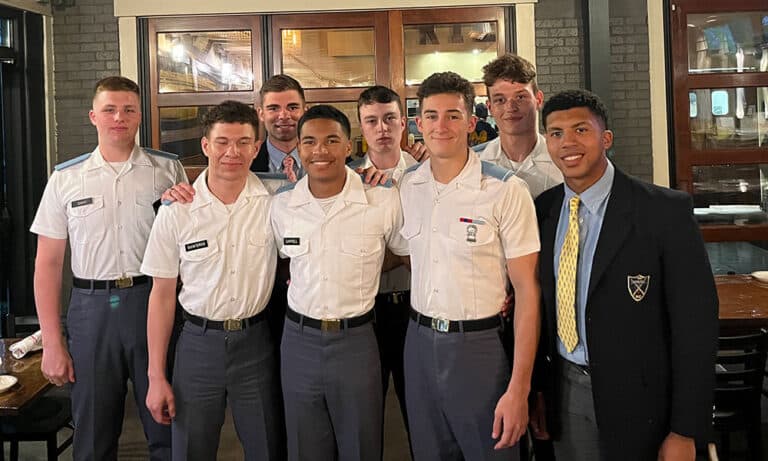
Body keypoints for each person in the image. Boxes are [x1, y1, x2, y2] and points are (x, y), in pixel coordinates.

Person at [533, 89, 718, 460]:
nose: (567, 142)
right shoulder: (544, 210)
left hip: (644, 402)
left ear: (606, 139)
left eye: (580, 130)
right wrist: (539, 391)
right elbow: (543, 308)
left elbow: (695, 327)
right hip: (567, 390)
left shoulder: (663, 212)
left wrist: (686, 429)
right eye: (555, 133)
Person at [30, 76, 185, 461]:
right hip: (91, 308)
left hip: (153, 301)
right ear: (93, 116)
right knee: (94, 429)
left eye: (129, 109)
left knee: (166, 421)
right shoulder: (66, 178)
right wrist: (52, 341)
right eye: (110, 109)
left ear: (138, 117)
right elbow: (48, 263)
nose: (120, 117)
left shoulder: (167, 170)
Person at [398, 71, 540, 461]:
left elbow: (528, 291)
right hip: (419, 343)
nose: (440, 126)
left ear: (472, 122)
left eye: (452, 115)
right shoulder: (407, 186)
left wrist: (519, 388)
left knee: (493, 452)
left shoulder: (505, 190)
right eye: (431, 116)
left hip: (480, 348)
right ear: (418, 123)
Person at [142, 101, 284, 461]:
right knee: (191, 449)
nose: (232, 153)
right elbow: (161, 296)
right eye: (222, 142)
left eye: (242, 142)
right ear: (205, 146)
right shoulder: (177, 210)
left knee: (268, 447)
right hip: (197, 346)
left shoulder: (277, 203)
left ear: (256, 147)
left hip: (256, 344)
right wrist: (156, 376)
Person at [270, 105, 409, 461]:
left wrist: (368, 261)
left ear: (349, 146)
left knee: (361, 444)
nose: (320, 151)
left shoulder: (381, 198)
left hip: (357, 340)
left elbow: (408, 254)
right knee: (305, 446)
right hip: (299, 340)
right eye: (310, 142)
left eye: (332, 140)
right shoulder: (282, 206)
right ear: (299, 148)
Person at [347, 85, 427, 452]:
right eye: (372, 121)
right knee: (364, 416)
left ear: (404, 123)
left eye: (390, 118)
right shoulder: (346, 183)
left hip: (416, 306)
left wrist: (381, 257)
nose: (382, 128)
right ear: (360, 127)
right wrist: (402, 254)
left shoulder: (427, 175)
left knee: (422, 410)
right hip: (369, 312)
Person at [476, 54, 562, 198]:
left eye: (520, 97)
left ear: (538, 99)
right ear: (490, 107)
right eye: (500, 100)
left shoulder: (563, 161)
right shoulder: (474, 164)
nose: (510, 107)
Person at [250, 74, 306, 182]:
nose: (284, 116)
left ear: (305, 111)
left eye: (292, 107)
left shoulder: (329, 160)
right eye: (274, 108)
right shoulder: (246, 164)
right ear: (261, 114)